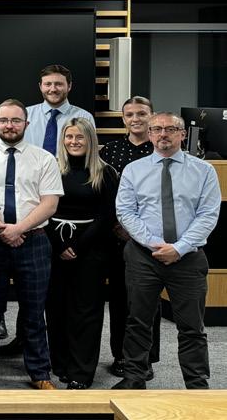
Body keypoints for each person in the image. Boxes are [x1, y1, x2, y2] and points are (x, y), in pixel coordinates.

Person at [113, 112, 220, 390]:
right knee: (138, 321)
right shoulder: (134, 170)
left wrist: (179, 248)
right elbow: (125, 212)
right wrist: (154, 244)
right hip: (143, 256)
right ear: (149, 134)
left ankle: (197, 385)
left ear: (182, 134)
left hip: (188, 257)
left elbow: (208, 215)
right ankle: (134, 377)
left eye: (171, 129)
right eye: (157, 129)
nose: (163, 134)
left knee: (192, 326)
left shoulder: (204, 171)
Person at [0, 99, 62, 391]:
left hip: (33, 240)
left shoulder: (44, 159)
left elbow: (50, 204)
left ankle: (40, 372)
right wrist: (0, 228)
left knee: (34, 310)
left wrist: (19, 228)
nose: (10, 126)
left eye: (16, 120)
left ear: (26, 124)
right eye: (4, 120)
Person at [45, 118, 119, 389]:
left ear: (90, 140)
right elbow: (41, 206)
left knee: (86, 311)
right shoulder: (51, 168)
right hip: (54, 245)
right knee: (56, 308)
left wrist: (78, 246)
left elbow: (107, 215)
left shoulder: (105, 172)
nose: (74, 142)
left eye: (80, 137)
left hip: (91, 248)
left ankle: (82, 371)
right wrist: (59, 245)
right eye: (69, 137)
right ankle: (61, 364)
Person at [99, 96, 159, 378]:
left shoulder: (159, 149)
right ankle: (121, 355)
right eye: (130, 114)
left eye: (141, 114)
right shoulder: (110, 151)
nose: (135, 119)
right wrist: (118, 225)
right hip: (117, 235)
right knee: (119, 299)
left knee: (147, 299)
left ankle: (146, 358)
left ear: (151, 116)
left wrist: (142, 231)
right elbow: (104, 193)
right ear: (123, 119)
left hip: (150, 237)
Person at [23, 64, 95, 156]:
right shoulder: (25, 115)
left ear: (69, 86)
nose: (53, 89)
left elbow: (90, 154)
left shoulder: (85, 117)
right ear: (40, 86)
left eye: (59, 84)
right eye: (48, 84)